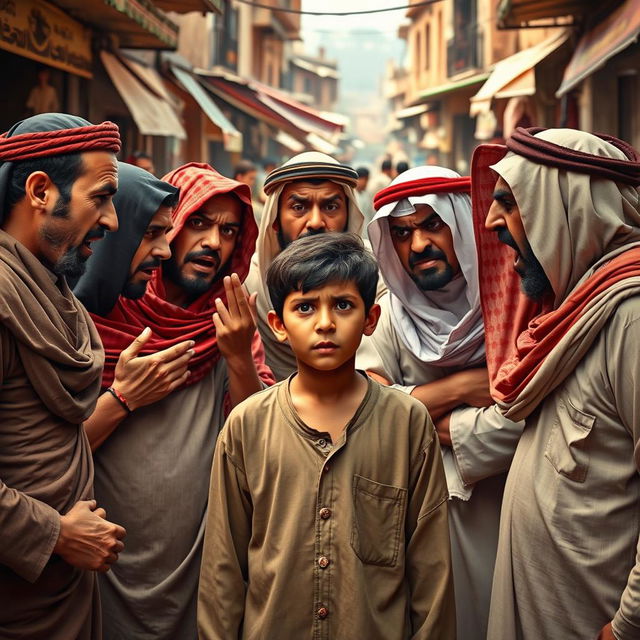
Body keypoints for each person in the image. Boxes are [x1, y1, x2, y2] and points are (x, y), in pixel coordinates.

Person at [198, 232, 455, 639]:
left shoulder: (407, 422)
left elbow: (431, 568)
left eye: (343, 305)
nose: (324, 323)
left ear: (370, 319)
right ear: (278, 326)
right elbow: (222, 569)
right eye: (304, 307)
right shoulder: (247, 426)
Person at [85, 162, 274, 640]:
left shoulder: (229, 325)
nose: (214, 242)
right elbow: (49, 449)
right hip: (98, 553)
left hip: (195, 560)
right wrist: (124, 397)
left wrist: (237, 357)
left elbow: (262, 443)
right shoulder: (102, 310)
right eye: (199, 224)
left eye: (229, 231)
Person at [472, 128, 640, 640]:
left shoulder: (630, 318)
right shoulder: (574, 312)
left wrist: (628, 626)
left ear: (567, 207)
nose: (491, 221)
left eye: (509, 202)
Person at [359, 165, 521, 640]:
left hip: (504, 510)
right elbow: (363, 411)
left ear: (465, 227)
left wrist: (418, 414)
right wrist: (464, 388)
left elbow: (528, 420)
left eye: (433, 225)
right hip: (414, 517)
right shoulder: (387, 315)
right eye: (403, 233)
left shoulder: (514, 310)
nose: (418, 245)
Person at [0, 113, 125, 639]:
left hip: (61, 599)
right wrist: (52, 533)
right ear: (40, 191)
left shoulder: (50, 289)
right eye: (101, 196)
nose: (113, 220)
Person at [74, 161, 196, 451]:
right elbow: (42, 458)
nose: (165, 251)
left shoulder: (134, 316)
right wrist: (123, 398)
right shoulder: (48, 317)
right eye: (151, 232)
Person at [245, 151, 369, 381]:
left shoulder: (378, 276)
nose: (315, 222)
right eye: (299, 207)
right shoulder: (247, 285)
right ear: (275, 220)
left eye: (330, 207)